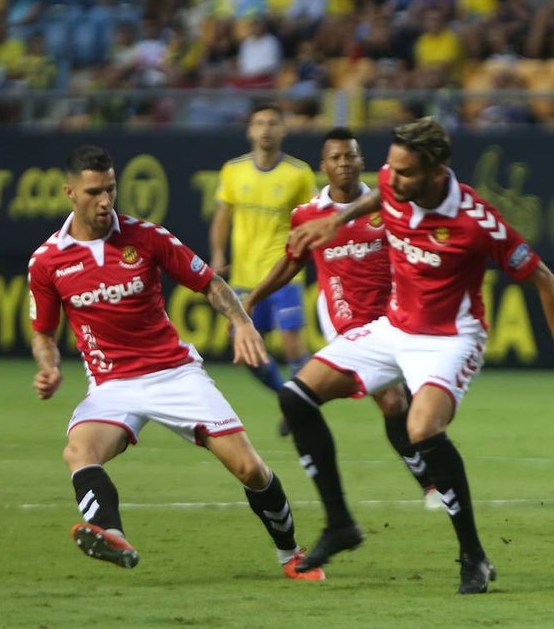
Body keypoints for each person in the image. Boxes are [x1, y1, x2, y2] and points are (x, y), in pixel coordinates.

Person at [279, 117, 554, 594]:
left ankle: (473, 556)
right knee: (295, 397)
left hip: (451, 339)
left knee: (421, 429)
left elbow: (546, 283)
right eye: (390, 168)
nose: (391, 178)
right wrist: (337, 219)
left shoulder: (476, 221)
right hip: (393, 327)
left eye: (405, 172)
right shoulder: (393, 182)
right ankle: (340, 523)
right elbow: (381, 194)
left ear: (436, 171)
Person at [27, 145, 323, 581]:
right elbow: (43, 333)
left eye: (110, 189)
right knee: (79, 451)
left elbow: (210, 282)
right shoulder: (47, 261)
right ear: (70, 192)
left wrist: (242, 322)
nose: (105, 200)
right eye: (93, 192)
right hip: (113, 385)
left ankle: (291, 554)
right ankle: (112, 535)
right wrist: (49, 366)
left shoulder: (147, 237)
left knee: (250, 469)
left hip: (174, 373)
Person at [243, 127, 442, 511]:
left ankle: (432, 477)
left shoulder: (387, 205)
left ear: (361, 161)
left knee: (420, 404)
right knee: (392, 400)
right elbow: (292, 261)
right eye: (335, 158)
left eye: (350, 156)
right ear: (324, 166)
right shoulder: (308, 215)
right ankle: (430, 486)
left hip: (398, 317)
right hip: (348, 321)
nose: (344, 163)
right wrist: (252, 299)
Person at [210, 104, 316, 419]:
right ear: (250, 130)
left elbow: (312, 218)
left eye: (272, 123)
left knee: (293, 345)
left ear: (283, 130)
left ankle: (299, 407)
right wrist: (218, 253)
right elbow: (222, 217)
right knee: (246, 351)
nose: (266, 129)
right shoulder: (233, 170)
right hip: (244, 276)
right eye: (259, 123)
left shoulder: (298, 173)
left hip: (284, 273)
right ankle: (290, 398)